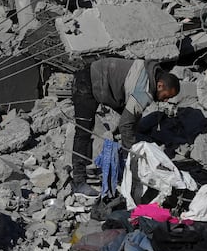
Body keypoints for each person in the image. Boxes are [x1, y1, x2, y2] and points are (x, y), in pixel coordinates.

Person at [71, 58, 179, 193]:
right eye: (166, 96)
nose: (166, 100)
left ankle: (116, 164)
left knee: (130, 125)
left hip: (96, 76)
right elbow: (126, 125)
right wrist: (133, 156)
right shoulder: (145, 91)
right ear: (160, 85)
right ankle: (78, 181)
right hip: (87, 84)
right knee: (83, 132)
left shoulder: (150, 71)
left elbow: (131, 120)